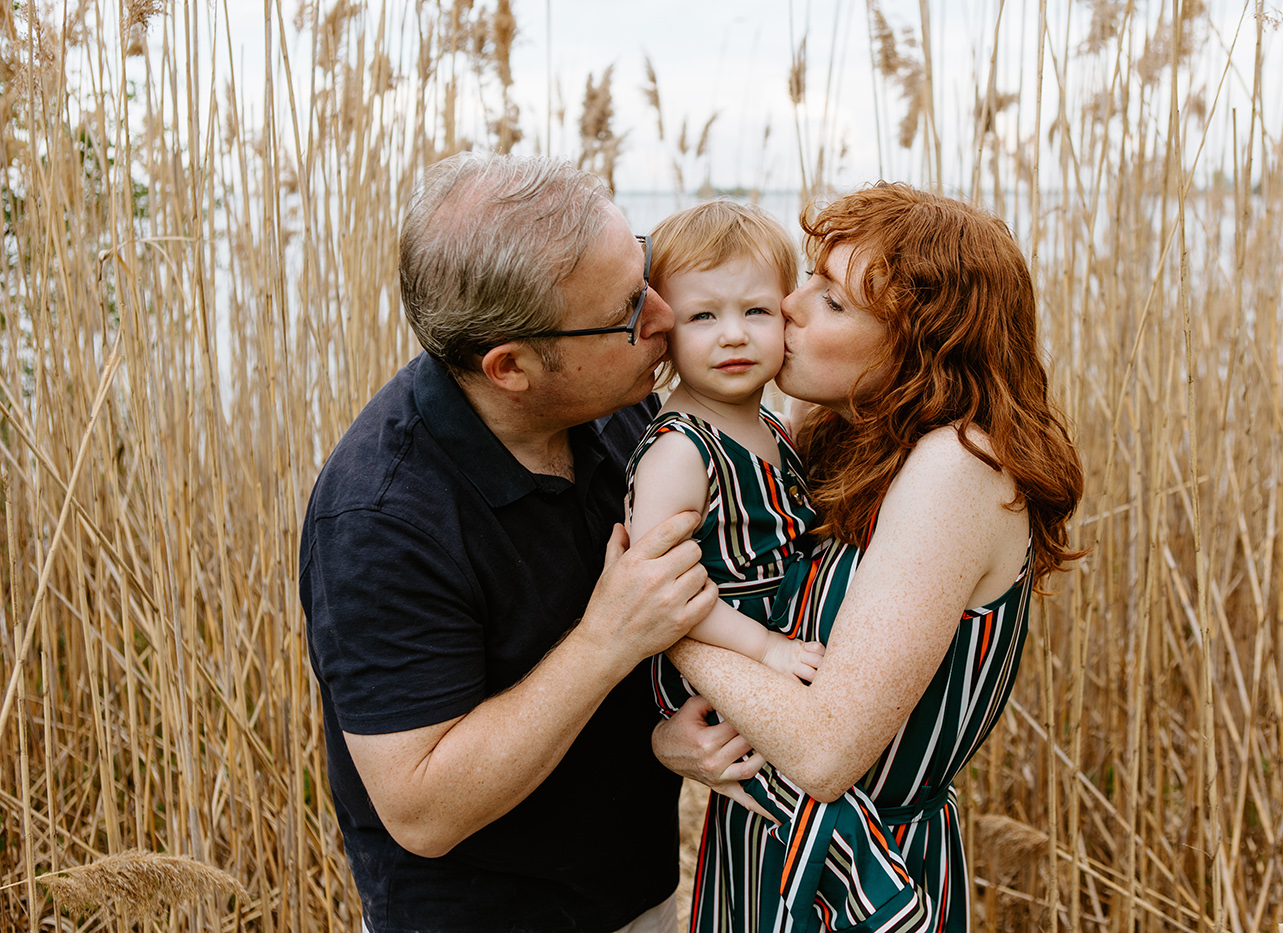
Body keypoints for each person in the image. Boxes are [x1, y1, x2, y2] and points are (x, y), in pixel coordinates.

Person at [299, 153, 741, 933]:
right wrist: (608, 637)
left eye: (642, 269)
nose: (665, 314)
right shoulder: (380, 518)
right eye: (628, 311)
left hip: (635, 892)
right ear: (512, 366)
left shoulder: (619, 407)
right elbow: (422, 807)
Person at [655, 183, 1084, 931]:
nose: (789, 303)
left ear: (918, 345)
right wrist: (675, 742)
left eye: (833, 301)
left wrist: (662, 619)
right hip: (766, 847)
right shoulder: (827, 428)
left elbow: (823, 750)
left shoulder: (959, 466)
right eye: (812, 278)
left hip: (860, 881)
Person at [626, 200, 824, 692]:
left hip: (785, 660)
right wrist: (766, 648)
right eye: (703, 317)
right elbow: (661, 590)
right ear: (665, 331)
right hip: (723, 679)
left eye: (757, 311)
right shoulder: (681, 453)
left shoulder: (773, 427)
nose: (733, 335)